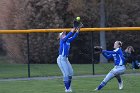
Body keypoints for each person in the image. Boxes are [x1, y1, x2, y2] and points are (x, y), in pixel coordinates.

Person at [57, 27, 80, 92]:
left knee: (71, 73)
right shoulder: (62, 40)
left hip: (66, 59)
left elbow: (74, 37)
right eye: (63, 34)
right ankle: (67, 89)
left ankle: (68, 87)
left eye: (64, 34)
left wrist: (77, 31)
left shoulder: (68, 40)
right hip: (61, 59)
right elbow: (69, 35)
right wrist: (72, 31)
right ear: (61, 36)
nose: (64, 34)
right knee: (66, 74)